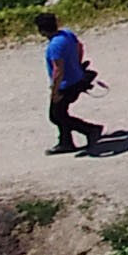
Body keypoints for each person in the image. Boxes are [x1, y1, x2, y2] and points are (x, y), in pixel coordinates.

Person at [39, 11, 103, 156]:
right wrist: (77, 63)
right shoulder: (67, 34)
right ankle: (66, 142)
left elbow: (58, 70)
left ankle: (90, 130)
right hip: (77, 78)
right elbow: (79, 47)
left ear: (42, 31)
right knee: (61, 113)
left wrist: (54, 91)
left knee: (56, 116)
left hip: (66, 86)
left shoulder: (54, 46)